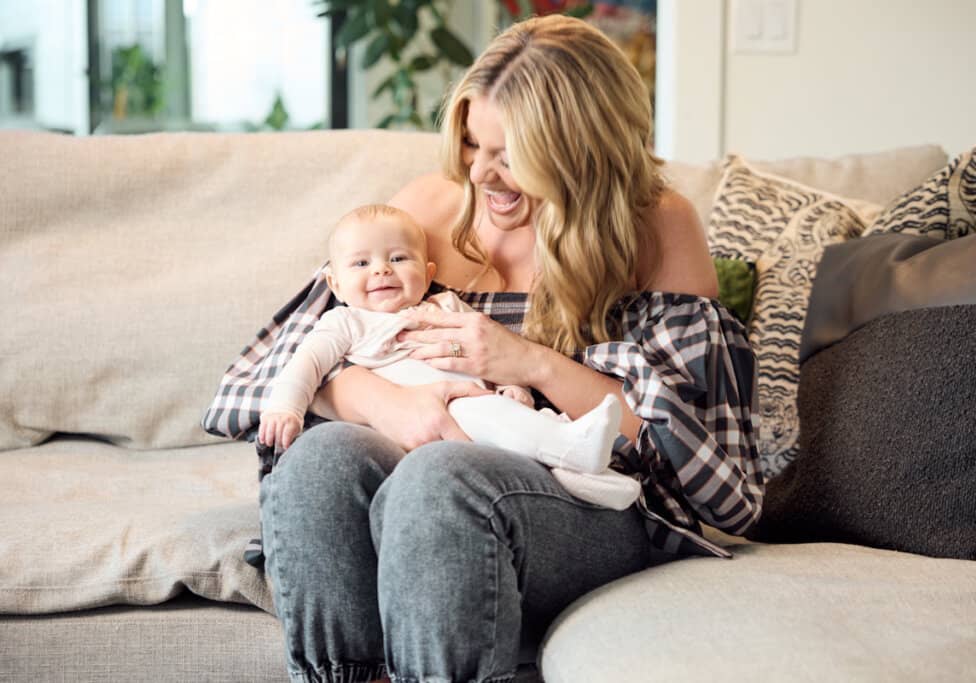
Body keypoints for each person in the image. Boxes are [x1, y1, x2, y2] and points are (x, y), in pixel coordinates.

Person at [240, 14, 763, 683]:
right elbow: (287, 364)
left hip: (582, 499)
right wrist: (386, 401)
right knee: (319, 460)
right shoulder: (428, 209)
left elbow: (696, 459)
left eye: (508, 154)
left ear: (577, 147)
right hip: (421, 460)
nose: (480, 174)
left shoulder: (656, 225)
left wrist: (526, 361)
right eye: (470, 144)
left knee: (439, 481)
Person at [258, 203, 641, 510]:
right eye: (361, 263)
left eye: (398, 259)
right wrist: (285, 408)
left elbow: (494, 356)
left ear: (427, 275)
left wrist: (512, 388)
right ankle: (575, 449)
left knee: (520, 426)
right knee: (512, 427)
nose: (381, 269)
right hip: (438, 421)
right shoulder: (346, 322)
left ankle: (597, 482)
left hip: (480, 409)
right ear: (334, 284)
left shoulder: (446, 306)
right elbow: (305, 364)